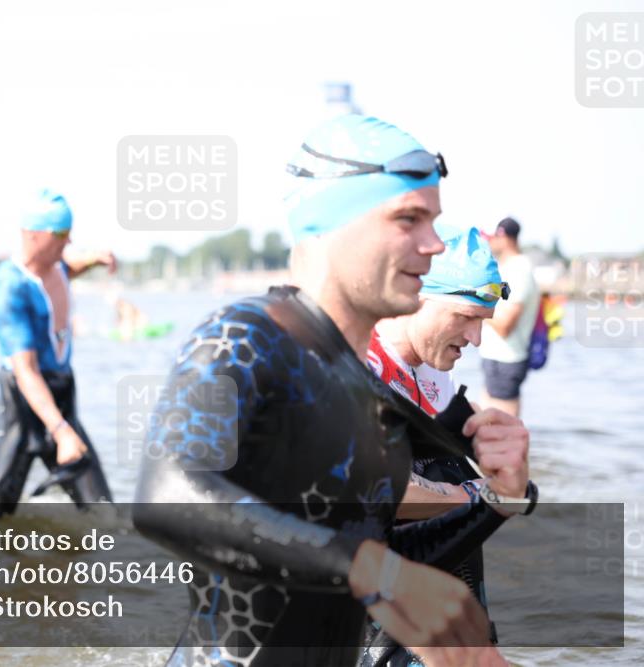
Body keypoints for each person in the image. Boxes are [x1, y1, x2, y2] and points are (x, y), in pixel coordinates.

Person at [134, 115, 534, 667]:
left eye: (433, 221)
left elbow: (375, 559)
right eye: (409, 219)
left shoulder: (360, 383)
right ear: (334, 222)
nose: (433, 244)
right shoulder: (247, 337)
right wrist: (379, 572)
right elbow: (165, 499)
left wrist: (497, 501)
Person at [363, 223, 536, 666]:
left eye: (482, 321)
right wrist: (476, 498)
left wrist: (507, 462)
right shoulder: (362, 365)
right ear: (417, 298)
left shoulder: (433, 370)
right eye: (466, 317)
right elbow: (375, 490)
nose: (476, 339)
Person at [0, 190, 115, 518]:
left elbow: (69, 267)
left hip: (61, 393)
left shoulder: (57, 266)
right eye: (62, 234)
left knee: (104, 511)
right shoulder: (10, 287)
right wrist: (60, 431)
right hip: (23, 401)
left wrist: (95, 258)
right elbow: (26, 371)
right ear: (34, 235)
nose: (69, 241)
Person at [479, 218, 540, 417]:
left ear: (504, 237)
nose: (488, 242)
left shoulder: (519, 270)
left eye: (491, 238)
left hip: (507, 358)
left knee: (501, 424)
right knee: (486, 418)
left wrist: (477, 308)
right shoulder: (506, 267)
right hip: (496, 356)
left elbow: (505, 326)